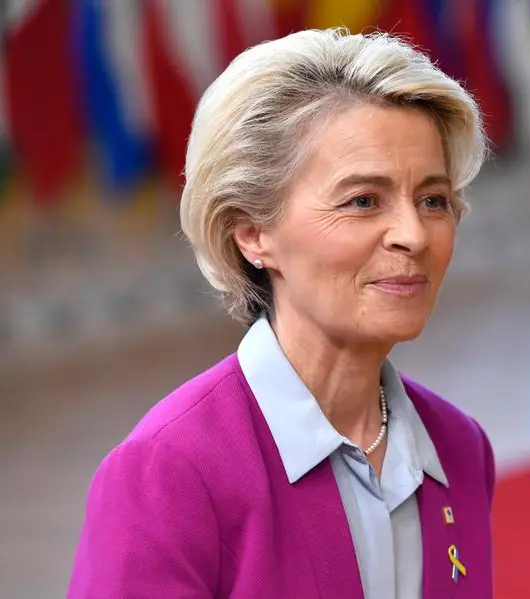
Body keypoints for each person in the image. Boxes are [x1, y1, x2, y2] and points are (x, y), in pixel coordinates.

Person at [68, 28, 495, 599]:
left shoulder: (459, 447)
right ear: (252, 233)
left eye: (433, 200)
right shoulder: (168, 473)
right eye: (363, 200)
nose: (414, 234)